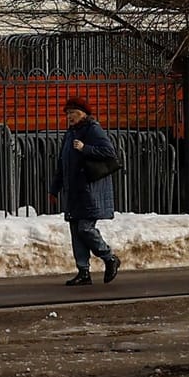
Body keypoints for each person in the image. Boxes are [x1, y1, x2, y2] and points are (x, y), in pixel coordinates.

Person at [49, 96, 121, 287]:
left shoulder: (93, 129)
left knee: (85, 228)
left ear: (83, 114)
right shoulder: (70, 134)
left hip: (90, 190)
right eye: (68, 114)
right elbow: (62, 163)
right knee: (76, 231)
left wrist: (85, 148)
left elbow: (109, 153)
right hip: (74, 190)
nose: (69, 117)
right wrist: (54, 189)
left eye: (73, 113)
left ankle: (109, 257)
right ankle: (83, 272)